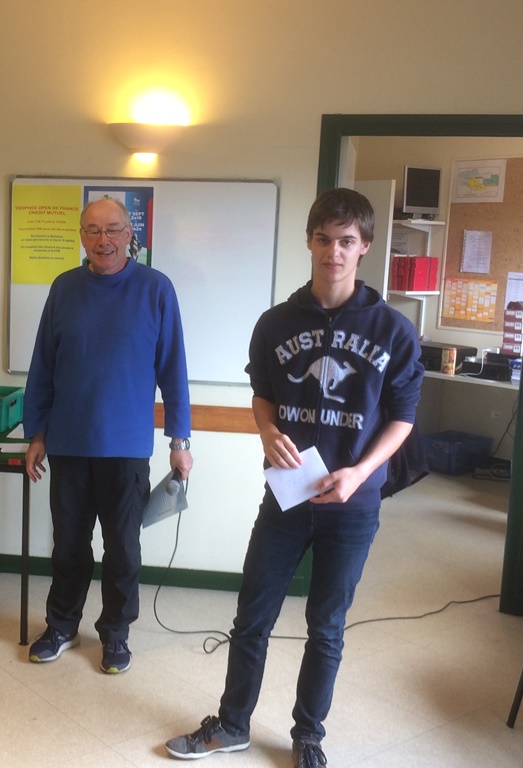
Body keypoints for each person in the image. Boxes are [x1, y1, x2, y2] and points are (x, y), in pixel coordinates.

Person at [165, 188, 423, 766]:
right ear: (309, 241)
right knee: (252, 616)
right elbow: (262, 394)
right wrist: (265, 431)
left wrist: (360, 472)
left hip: (352, 505)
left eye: (347, 241)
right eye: (324, 239)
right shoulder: (275, 323)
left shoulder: (394, 330)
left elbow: (403, 418)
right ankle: (233, 724)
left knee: (326, 626)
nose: (334, 252)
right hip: (285, 498)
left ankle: (309, 735)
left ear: (365, 246)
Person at [23, 197, 193, 674]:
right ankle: (61, 627)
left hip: (126, 449)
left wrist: (180, 442)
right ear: (81, 236)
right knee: (68, 547)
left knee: (123, 551)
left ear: (128, 235)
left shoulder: (156, 289)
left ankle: (116, 634)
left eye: (113, 229)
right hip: (69, 444)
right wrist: (36, 433)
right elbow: (42, 366)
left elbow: (174, 369)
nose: (104, 240)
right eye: (94, 230)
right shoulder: (64, 288)